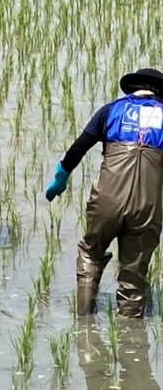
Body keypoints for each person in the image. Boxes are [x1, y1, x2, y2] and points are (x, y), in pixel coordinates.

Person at [44, 67, 163, 317]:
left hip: (106, 201)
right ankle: (131, 343)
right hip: (148, 207)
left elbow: (77, 149)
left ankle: (84, 327)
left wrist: (60, 178)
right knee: (134, 275)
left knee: (90, 253)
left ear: (132, 89)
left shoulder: (111, 110)